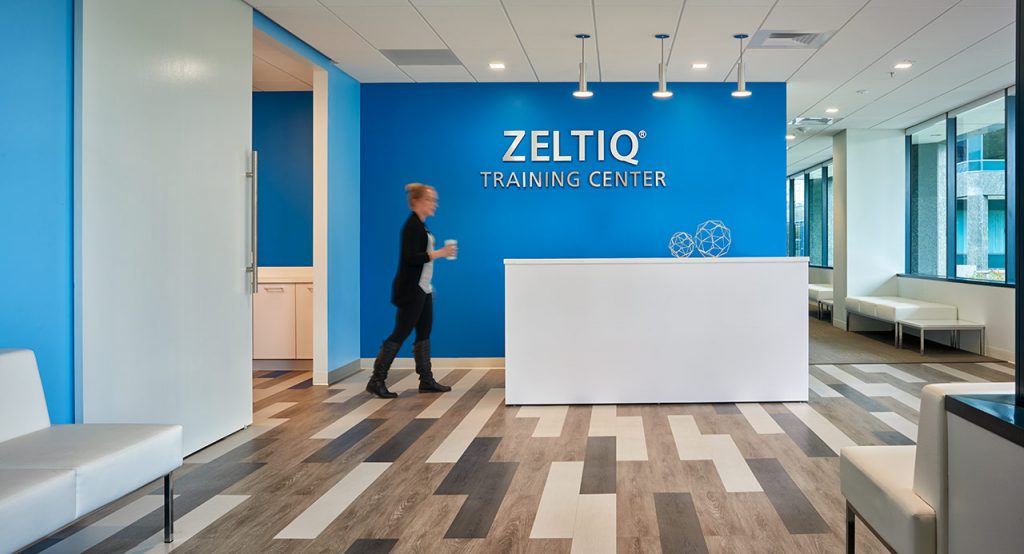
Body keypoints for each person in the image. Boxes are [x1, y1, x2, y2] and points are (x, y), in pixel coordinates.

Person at [367, 183, 457, 398]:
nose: (434, 204)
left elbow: (420, 260)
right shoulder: (411, 226)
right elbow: (411, 258)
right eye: (430, 200)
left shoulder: (421, 226)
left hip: (424, 288)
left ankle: (426, 380)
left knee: (424, 333)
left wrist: (429, 286)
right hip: (411, 290)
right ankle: (376, 380)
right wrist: (440, 253)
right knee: (401, 332)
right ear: (417, 201)